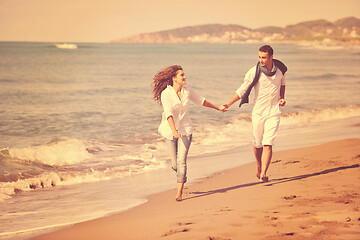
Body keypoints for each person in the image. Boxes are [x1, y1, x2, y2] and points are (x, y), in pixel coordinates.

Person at [152, 65, 226, 201]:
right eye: (182, 75)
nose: (185, 77)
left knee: (182, 160)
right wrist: (174, 131)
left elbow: (201, 101)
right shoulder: (166, 94)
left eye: (184, 75)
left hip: (185, 129)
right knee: (175, 164)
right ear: (174, 78)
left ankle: (179, 191)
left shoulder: (187, 91)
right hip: (170, 130)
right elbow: (168, 114)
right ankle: (180, 173)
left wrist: (217, 108)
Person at [222, 45, 287, 182]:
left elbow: (282, 84)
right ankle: (259, 166)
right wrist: (229, 103)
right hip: (258, 112)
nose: (261, 60)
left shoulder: (280, 70)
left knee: (268, 143)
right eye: (259, 57)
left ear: (271, 57)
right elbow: (242, 90)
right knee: (258, 144)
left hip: (274, 112)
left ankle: (263, 173)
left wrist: (281, 98)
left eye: (264, 57)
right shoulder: (254, 72)